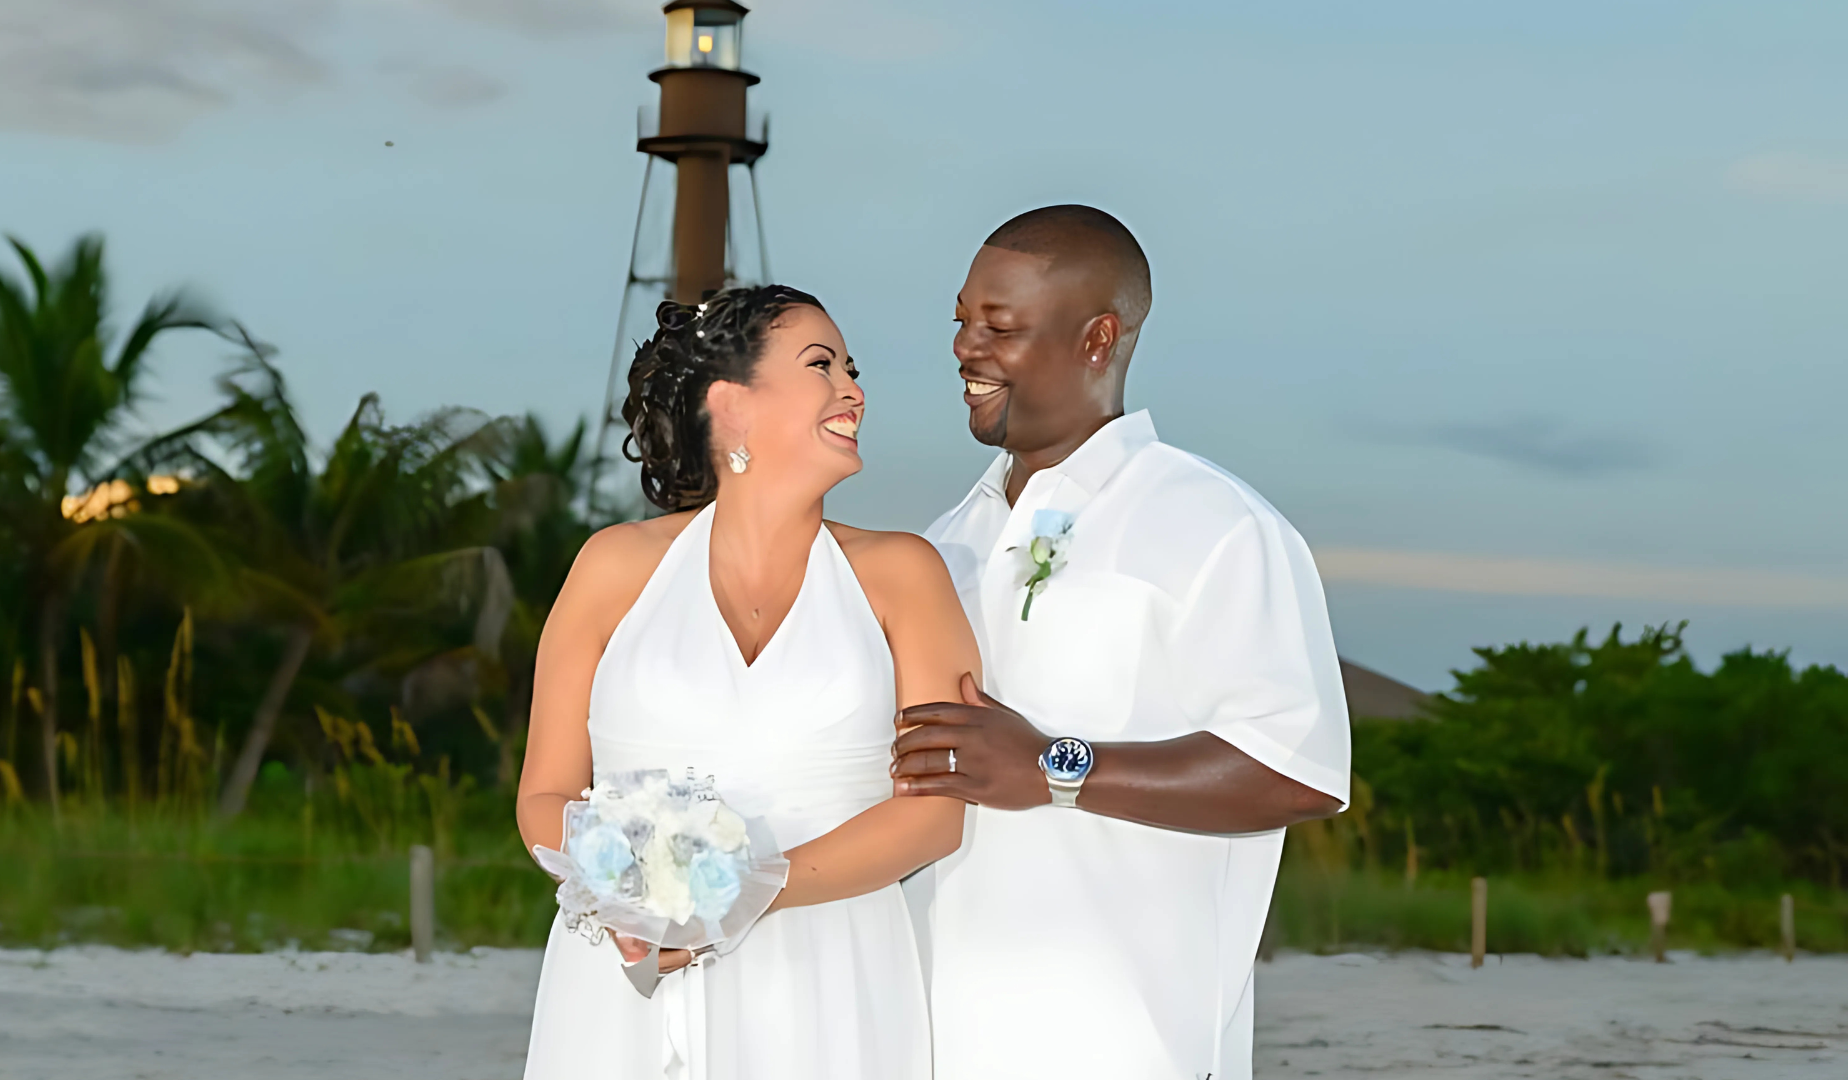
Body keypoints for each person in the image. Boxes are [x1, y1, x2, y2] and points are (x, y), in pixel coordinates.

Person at [892, 206, 1353, 1080]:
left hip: (1123, 1040)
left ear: (1097, 339)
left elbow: (1297, 770)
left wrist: (1051, 769)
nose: (964, 347)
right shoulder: (941, 543)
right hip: (923, 1036)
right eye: (960, 319)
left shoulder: (1218, 527)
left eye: (1000, 326)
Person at [518, 286, 980, 1080]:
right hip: (632, 965)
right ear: (730, 406)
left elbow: (937, 815)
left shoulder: (903, 573)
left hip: (831, 969)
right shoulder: (613, 567)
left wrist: (740, 894)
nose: (853, 388)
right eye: (821, 365)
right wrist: (638, 894)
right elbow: (543, 795)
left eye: (851, 368)